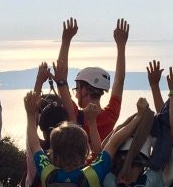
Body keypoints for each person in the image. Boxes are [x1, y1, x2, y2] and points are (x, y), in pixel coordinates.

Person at [53, 18, 129, 151]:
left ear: (85, 89)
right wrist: (121, 46)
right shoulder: (110, 116)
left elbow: (61, 80)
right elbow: (119, 81)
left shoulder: (76, 115)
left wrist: (66, 40)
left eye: (77, 88)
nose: (76, 94)